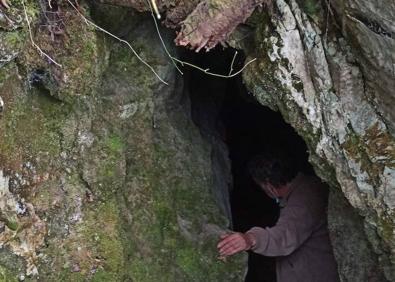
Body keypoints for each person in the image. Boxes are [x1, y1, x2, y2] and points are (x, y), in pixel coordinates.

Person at [217, 152, 339, 282]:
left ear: (270, 187)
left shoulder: (304, 200)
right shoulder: (310, 187)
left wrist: (250, 239)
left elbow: (284, 237)